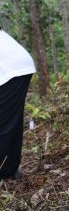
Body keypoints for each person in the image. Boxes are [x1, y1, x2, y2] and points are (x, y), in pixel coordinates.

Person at [0, 28, 36, 180]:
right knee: (11, 123)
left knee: (3, 124)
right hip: (16, 68)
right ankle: (8, 169)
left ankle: (8, 169)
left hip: (12, 69)